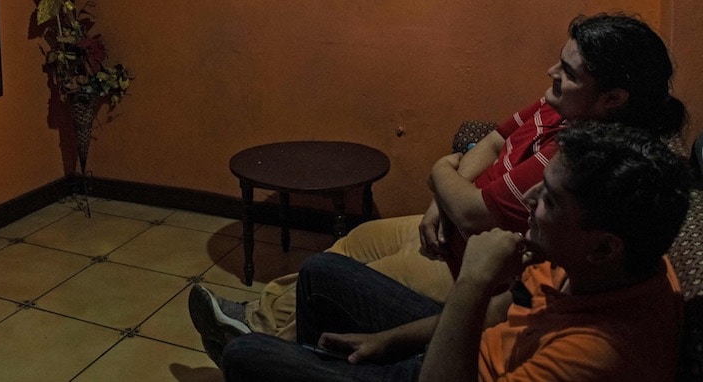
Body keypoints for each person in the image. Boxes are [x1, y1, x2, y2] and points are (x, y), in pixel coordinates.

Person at [190, 13, 687, 355]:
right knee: (351, 243)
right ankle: (258, 316)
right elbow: (492, 143)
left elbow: (474, 213)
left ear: (613, 98)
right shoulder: (556, 106)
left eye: (569, 71)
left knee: (353, 277)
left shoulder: (586, 159)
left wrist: (440, 174)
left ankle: (262, 343)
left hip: (471, 259)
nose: (551, 72)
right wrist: (440, 203)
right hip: (450, 225)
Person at [219, 121, 690, 381]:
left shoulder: (598, 356)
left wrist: (473, 281)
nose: (528, 203)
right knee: (322, 270)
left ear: (604, 246)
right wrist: (389, 339)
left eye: (548, 199)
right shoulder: (598, 264)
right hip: (456, 351)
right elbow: (504, 312)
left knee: (246, 357)